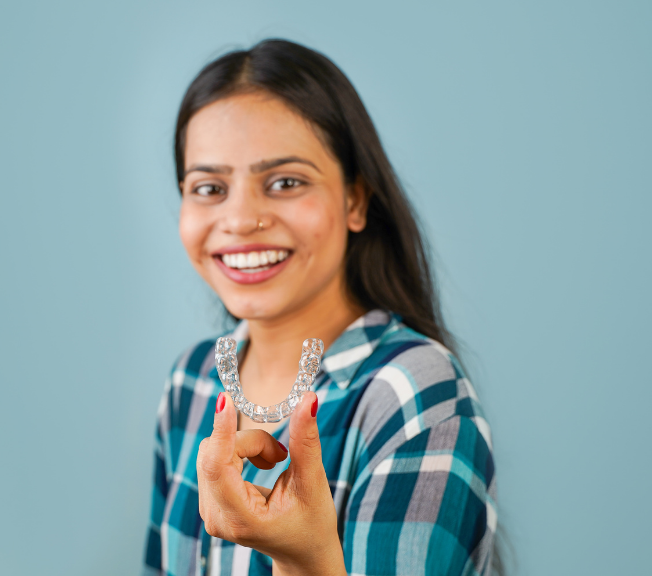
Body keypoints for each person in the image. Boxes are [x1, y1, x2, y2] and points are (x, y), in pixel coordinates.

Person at [144, 39, 498, 576]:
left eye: (285, 182)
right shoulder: (190, 383)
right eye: (209, 187)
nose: (241, 219)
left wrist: (305, 561)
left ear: (355, 199)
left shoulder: (411, 394)